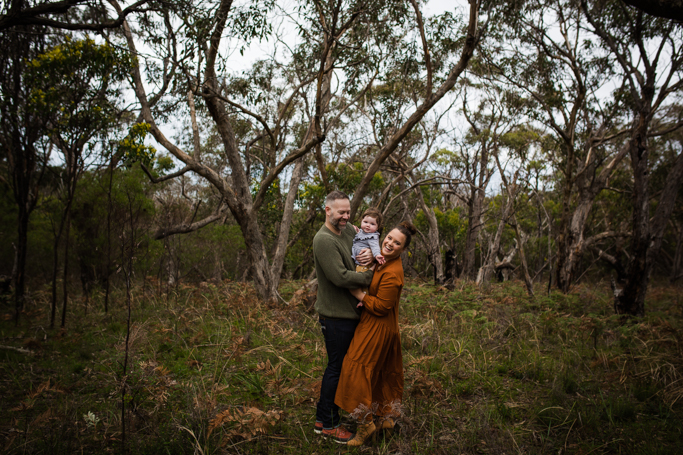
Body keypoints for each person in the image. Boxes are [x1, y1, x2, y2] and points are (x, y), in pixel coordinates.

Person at [334, 221, 417, 447]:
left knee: (355, 369)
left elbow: (382, 306)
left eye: (396, 242)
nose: (390, 243)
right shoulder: (383, 259)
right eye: (389, 238)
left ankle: (366, 423)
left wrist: (358, 294)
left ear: (403, 249)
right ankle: (385, 421)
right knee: (378, 373)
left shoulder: (393, 272)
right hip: (378, 325)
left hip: (378, 327)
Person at [312, 190, 374, 444]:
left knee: (338, 368)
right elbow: (340, 277)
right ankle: (329, 425)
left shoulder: (348, 230)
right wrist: (370, 277)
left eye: (348, 212)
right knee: (337, 369)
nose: (346, 216)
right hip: (336, 317)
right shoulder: (324, 240)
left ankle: (321, 418)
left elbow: (365, 244)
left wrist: (370, 252)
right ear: (327, 210)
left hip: (349, 313)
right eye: (341, 212)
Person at [352, 208, 385, 274]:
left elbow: (375, 246)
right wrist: (357, 231)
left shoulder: (373, 236)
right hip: (356, 261)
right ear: (361, 221)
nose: (368, 225)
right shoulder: (362, 232)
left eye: (372, 224)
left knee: (359, 277)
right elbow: (360, 236)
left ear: (377, 227)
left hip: (363, 264)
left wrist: (377, 255)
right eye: (365, 222)